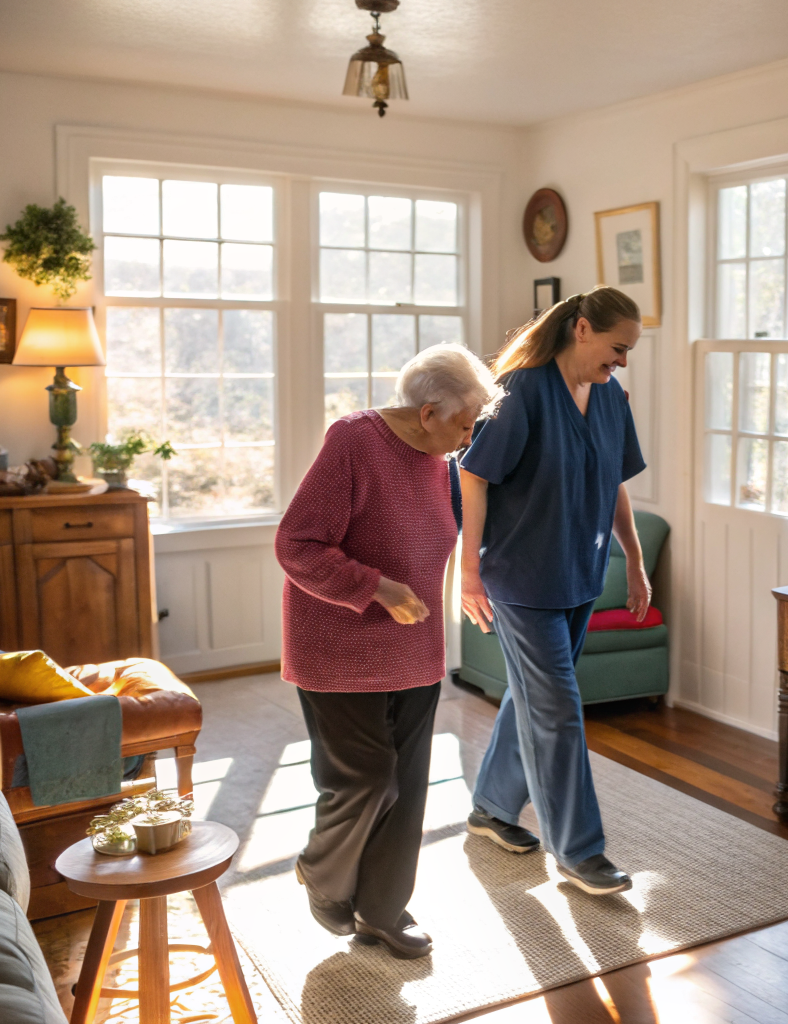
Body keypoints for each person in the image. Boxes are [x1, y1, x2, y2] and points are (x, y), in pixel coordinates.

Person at [275, 343, 502, 958]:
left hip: (415, 649)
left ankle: (382, 911)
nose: (469, 437)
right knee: (366, 781)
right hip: (338, 649)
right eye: (464, 424)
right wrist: (375, 587)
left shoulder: (439, 460)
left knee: (407, 787)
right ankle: (322, 871)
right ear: (428, 413)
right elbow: (297, 544)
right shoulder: (355, 441)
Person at [460, 286, 649, 896]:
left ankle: (491, 808)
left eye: (629, 352)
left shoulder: (611, 397)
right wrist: (468, 570)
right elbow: (473, 472)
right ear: (583, 329)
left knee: (535, 700)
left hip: (579, 573)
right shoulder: (521, 390)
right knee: (559, 711)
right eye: (618, 347)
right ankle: (579, 852)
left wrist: (635, 561)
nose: (622, 361)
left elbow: (615, 481)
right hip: (520, 576)